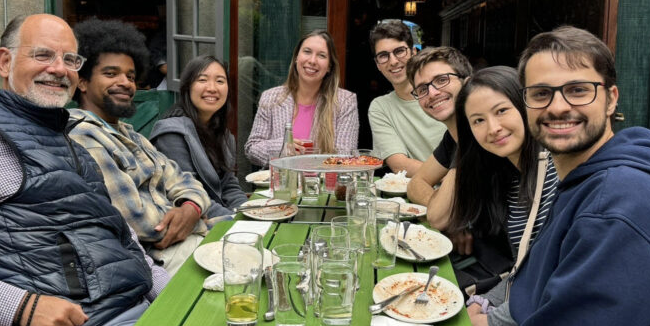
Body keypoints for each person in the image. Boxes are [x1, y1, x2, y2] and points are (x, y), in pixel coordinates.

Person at [0, 14, 303, 326]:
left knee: (278, 322)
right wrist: (20, 307)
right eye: (42, 54)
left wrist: (177, 298)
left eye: (69, 59)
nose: (58, 68)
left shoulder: (68, 141)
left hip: (129, 315)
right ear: (5, 62)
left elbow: (124, 242)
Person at [477, 26, 650, 326]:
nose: (558, 107)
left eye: (578, 90)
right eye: (541, 94)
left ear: (611, 99)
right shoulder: (590, 179)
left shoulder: (618, 206)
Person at [428, 66, 558, 326]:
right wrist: (483, 302)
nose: (493, 128)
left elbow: (558, 283)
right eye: (478, 121)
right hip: (523, 314)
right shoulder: (514, 178)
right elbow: (525, 269)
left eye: (502, 111)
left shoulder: (550, 172)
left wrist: (495, 322)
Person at [67, 19, 215, 275]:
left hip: (185, 240)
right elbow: (137, 221)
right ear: (82, 82)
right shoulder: (82, 135)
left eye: (131, 76)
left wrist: (191, 208)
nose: (125, 82)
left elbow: (185, 180)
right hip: (153, 259)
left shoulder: (131, 134)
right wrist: (194, 219)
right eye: (111, 74)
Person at [150, 55, 247, 221]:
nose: (212, 88)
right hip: (191, 222)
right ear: (187, 87)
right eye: (202, 80)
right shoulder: (171, 133)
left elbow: (229, 185)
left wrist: (248, 211)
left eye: (220, 81)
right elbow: (188, 194)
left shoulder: (224, 135)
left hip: (220, 216)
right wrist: (236, 220)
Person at [245, 30, 358, 166]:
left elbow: (345, 156)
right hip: (281, 184)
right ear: (296, 58)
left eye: (321, 55)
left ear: (329, 66)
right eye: (307, 52)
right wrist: (284, 146)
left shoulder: (345, 101)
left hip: (322, 185)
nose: (312, 61)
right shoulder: (271, 98)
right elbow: (252, 148)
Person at [366, 20, 446, 176]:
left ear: (414, 52)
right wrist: (451, 177)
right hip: (418, 191)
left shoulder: (442, 91)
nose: (393, 61)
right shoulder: (380, 107)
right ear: (377, 64)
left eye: (399, 51)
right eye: (383, 56)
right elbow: (399, 164)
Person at [403, 47, 471, 228]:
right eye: (422, 89)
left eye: (442, 80)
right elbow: (416, 183)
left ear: (467, 81)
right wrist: (443, 207)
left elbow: (439, 218)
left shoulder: (479, 134)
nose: (432, 93)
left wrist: (446, 212)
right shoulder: (452, 136)